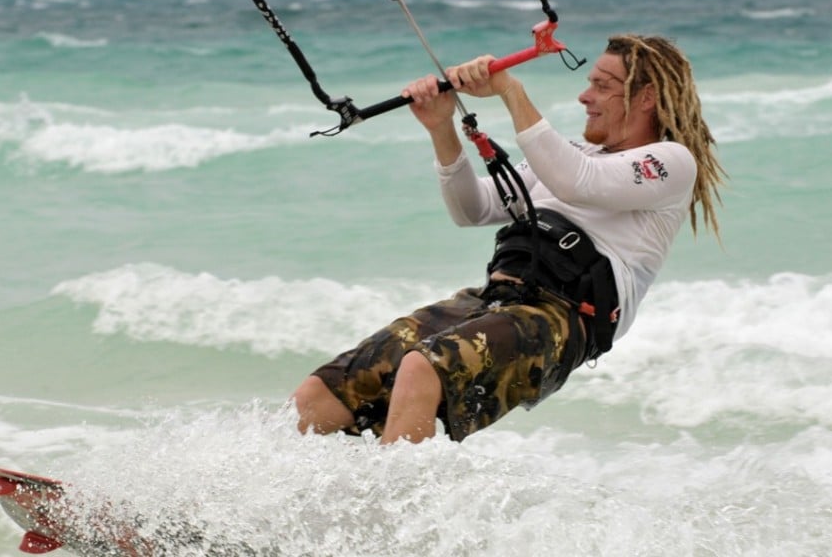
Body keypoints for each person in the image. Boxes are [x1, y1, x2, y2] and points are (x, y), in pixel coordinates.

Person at [291, 34, 725, 444]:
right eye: (588, 82)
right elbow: (473, 208)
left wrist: (510, 91)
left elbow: (578, 182)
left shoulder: (668, 162)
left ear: (646, 97)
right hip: (497, 298)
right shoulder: (574, 155)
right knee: (325, 390)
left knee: (424, 367)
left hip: (564, 318)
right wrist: (441, 128)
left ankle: (389, 511)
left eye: (601, 85)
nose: (584, 95)